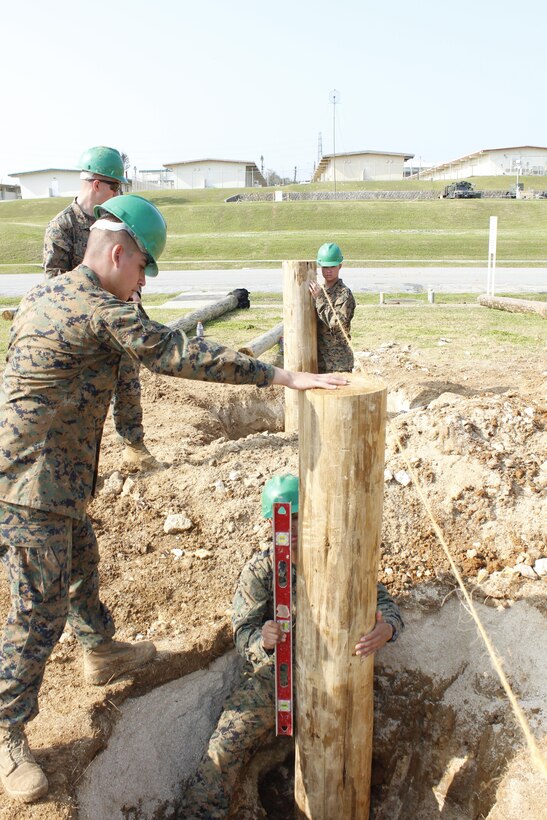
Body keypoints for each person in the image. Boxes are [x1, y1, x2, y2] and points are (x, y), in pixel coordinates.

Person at [0, 196, 346, 804]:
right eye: (142, 269)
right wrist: (285, 376)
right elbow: (179, 353)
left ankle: (99, 647)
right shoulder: (101, 310)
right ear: (116, 254)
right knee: (35, 614)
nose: (141, 282)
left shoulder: (43, 296)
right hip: (32, 488)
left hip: (51, 477)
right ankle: (6, 732)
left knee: (82, 554)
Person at [182, 474, 403, 819]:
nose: (294, 528)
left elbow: (383, 601)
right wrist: (262, 641)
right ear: (271, 523)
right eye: (285, 518)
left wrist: (386, 628)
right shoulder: (262, 570)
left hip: (333, 674)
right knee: (225, 747)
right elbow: (242, 632)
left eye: (300, 517)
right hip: (274, 678)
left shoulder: (340, 562)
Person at [43, 145, 157, 471]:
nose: (118, 193)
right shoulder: (62, 228)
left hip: (114, 317)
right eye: (115, 186)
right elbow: (54, 286)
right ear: (97, 185)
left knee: (128, 375)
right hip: (79, 327)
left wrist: (132, 299)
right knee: (79, 394)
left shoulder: (111, 223)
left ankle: (133, 444)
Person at [308, 242, 356, 373]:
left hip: (338, 363)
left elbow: (337, 323)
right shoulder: (319, 291)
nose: (328, 271)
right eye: (325, 267)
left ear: (340, 266)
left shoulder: (344, 294)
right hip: (319, 360)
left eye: (332, 267)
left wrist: (319, 299)